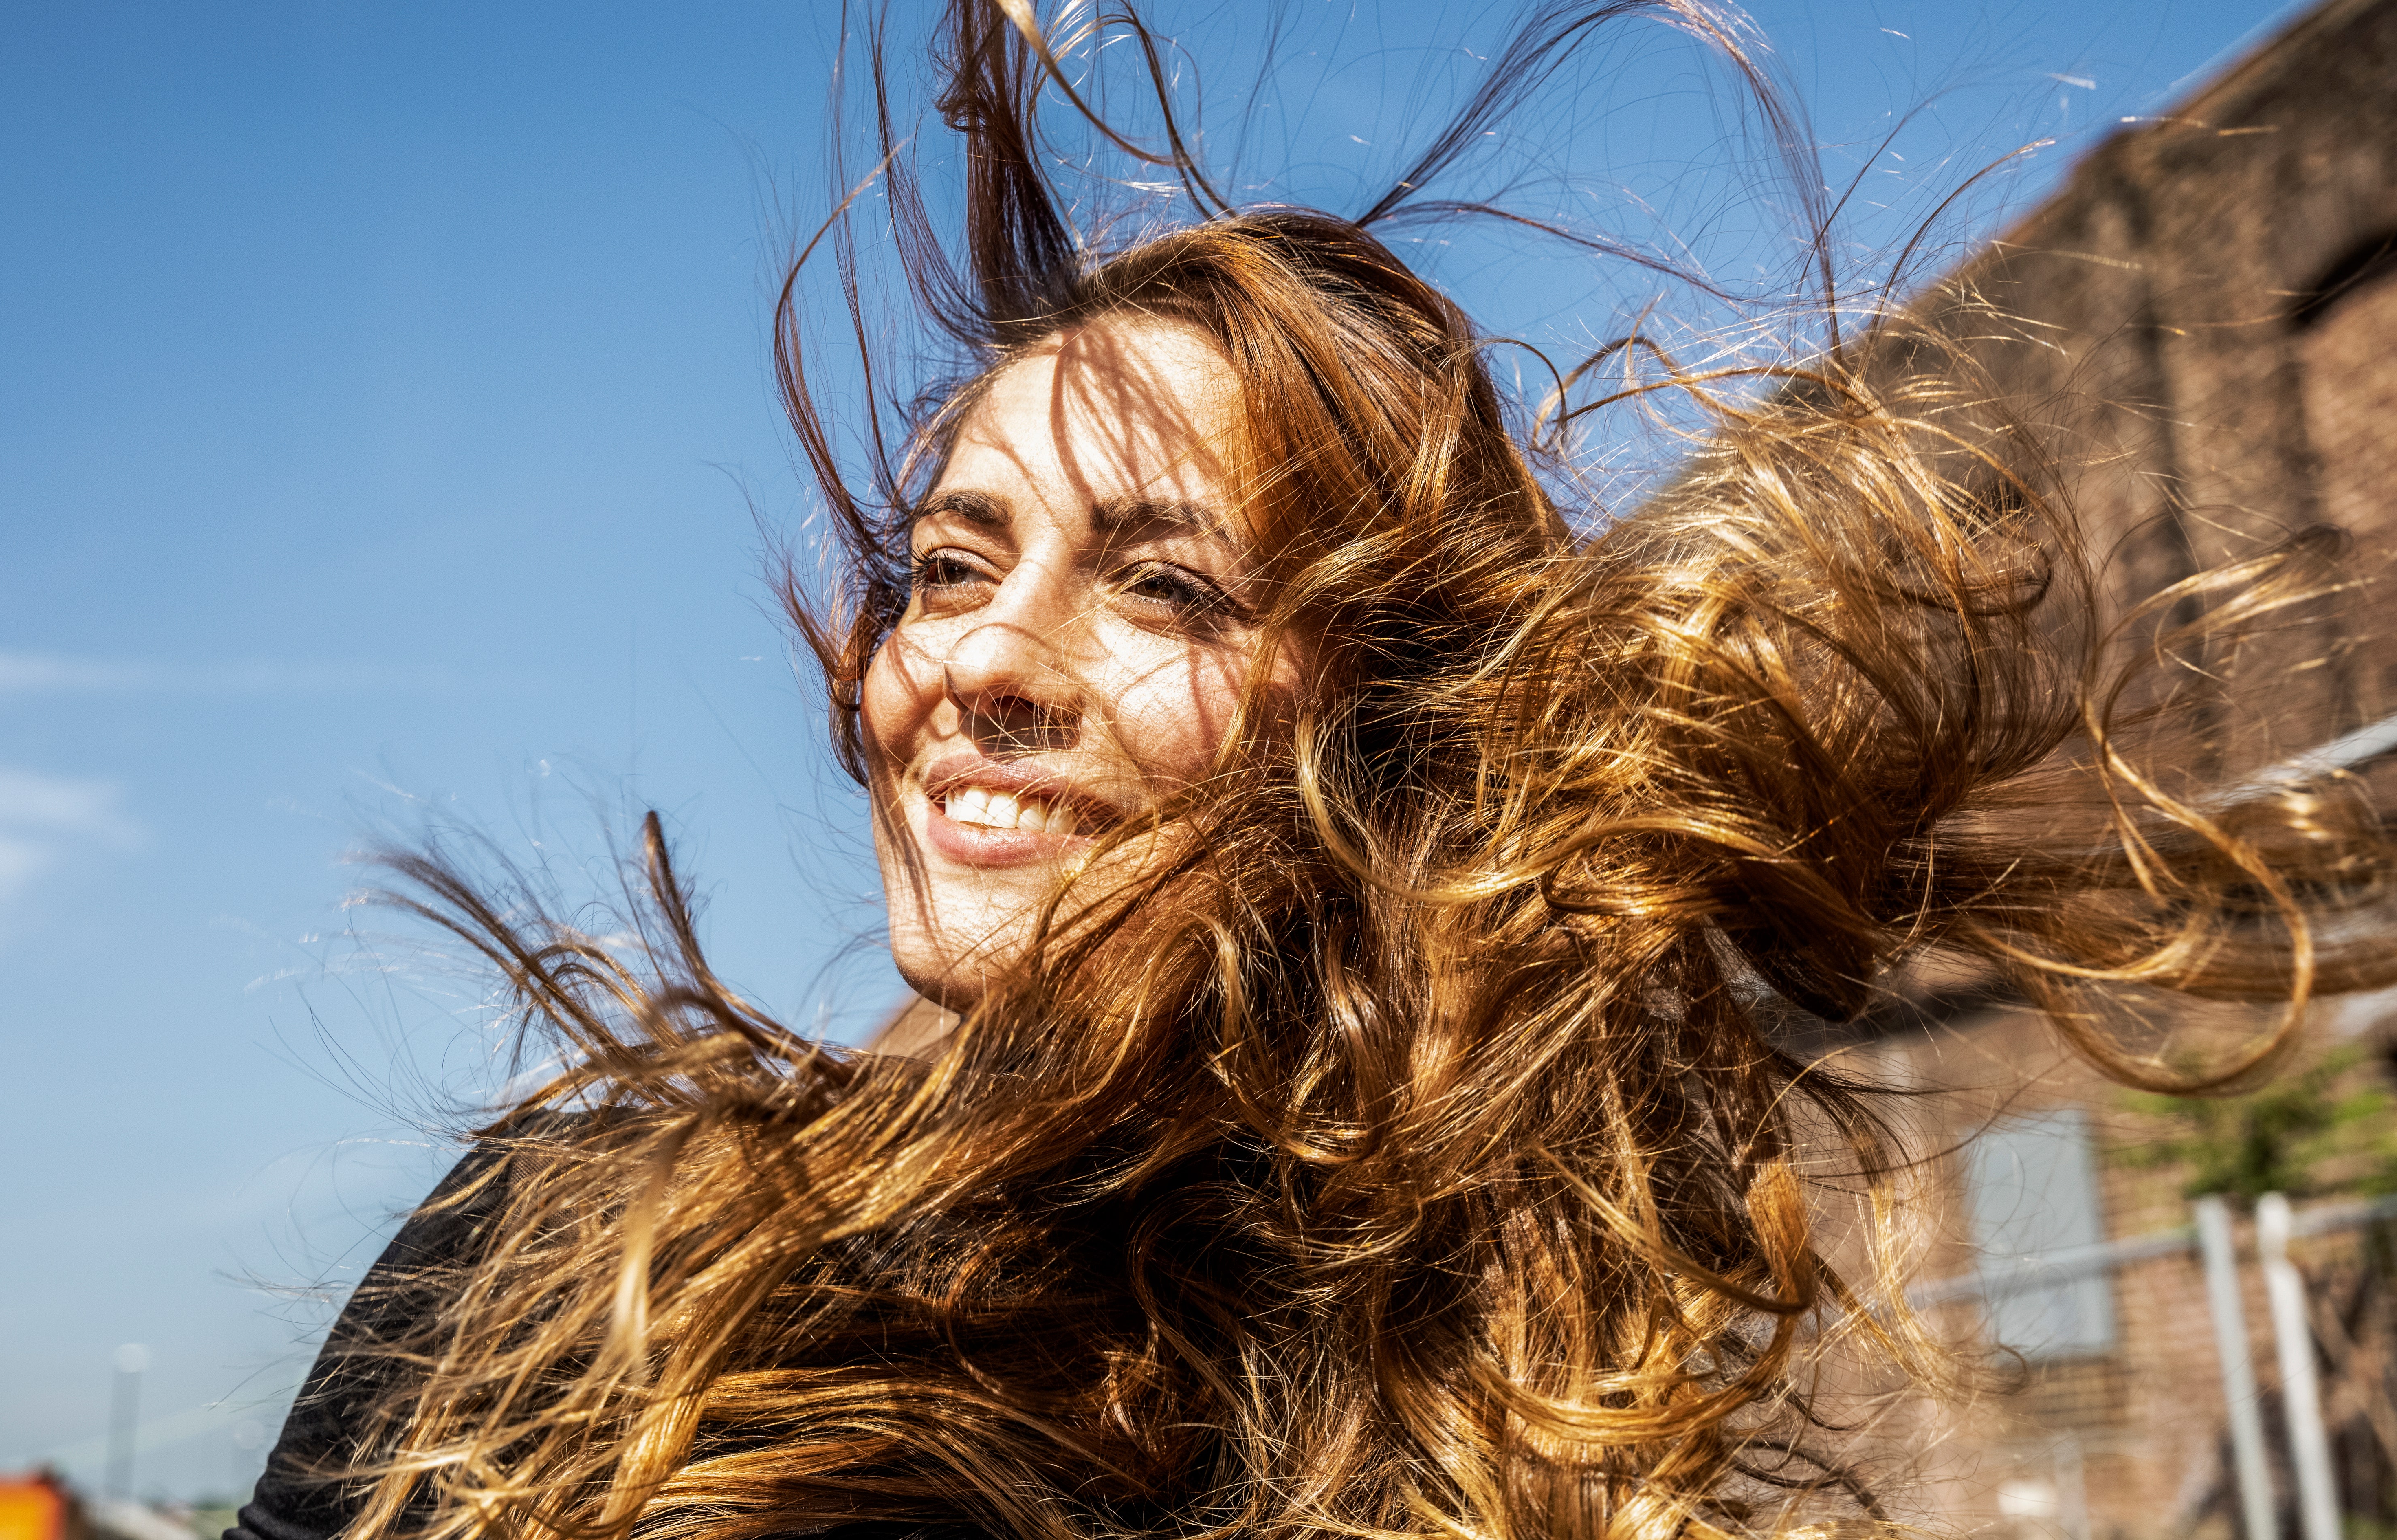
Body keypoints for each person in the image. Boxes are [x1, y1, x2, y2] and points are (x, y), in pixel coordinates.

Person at [229, 3, 2395, 1537]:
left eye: (1164, 585)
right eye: (951, 562)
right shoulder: (579, 1244)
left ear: (1377, 729)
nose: (976, 655)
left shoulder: (1459, 1415)